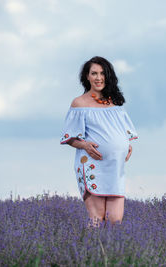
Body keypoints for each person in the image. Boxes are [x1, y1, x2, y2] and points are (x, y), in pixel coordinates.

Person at [60, 56, 138, 226]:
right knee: (97, 218)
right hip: (92, 165)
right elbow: (69, 138)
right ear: (87, 77)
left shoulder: (115, 103)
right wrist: (85, 145)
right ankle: (91, 252)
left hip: (115, 167)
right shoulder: (79, 103)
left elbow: (122, 132)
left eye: (102, 73)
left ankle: (110, 253)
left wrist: (126, 145)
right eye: (94, 73)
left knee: (115, 219)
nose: (98, 77)